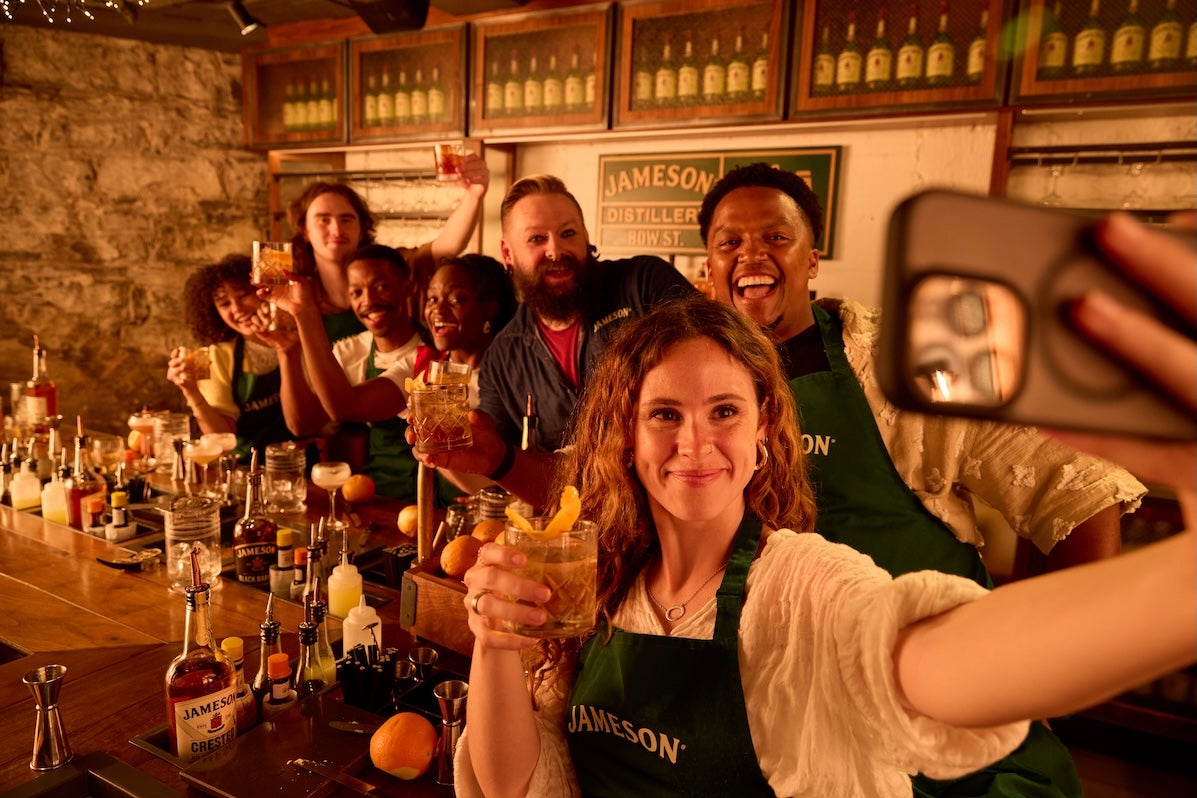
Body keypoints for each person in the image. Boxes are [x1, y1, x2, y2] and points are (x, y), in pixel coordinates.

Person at [453, 292, 1194, 798]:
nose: (694, 442)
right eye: (664, 414)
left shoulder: (804, 585)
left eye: (723, 410)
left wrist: (1175, 590)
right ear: (625, 436)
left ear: (763, 434)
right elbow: (526, 783)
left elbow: (926, 658)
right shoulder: (599, 583)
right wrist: (492, 642)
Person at [696, 163, 1148, 796]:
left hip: (942, 695)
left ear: (812, 258)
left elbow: (1081, 486)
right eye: (730, 242)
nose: (752, 254)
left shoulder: (902, 357)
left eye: (776, 237)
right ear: (709, 266)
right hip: (792, 704)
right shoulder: (691, 380)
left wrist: (1052, 660)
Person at [412, 174, 697, 505]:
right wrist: (447, 455)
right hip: (579, 535)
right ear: (507, 253)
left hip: (677, 509)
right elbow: (498, 471)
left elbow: (710, 375)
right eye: (536, 238)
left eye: (568, 233)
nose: (555, 250)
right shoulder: (503, 358)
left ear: (586, 236)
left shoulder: (645, 286)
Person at [267, 244, 421, 501]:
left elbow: (344, 408)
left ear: (408, 287)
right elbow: (303, 423)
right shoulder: (353, 349)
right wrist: (288, 352)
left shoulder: (429, 355)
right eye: (357, 292)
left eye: (381, 286)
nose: (368, 301)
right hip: (376, 494)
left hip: (428, 495)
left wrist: (304, 314)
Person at [288, 153, 490, 343]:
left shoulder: (392, 267)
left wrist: (473, 196)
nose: (336, 229)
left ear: (362, 228)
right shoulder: (300, 294)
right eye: (323, 220)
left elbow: (449, 246)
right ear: (305, 230)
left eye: (346, 219)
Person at [167, 254, 324, 460]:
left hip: (307, 462)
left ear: (264, 292)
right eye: (224, 304)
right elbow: (222, 439)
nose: (237, 309)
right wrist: (191, 393)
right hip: (247, 471)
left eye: (243, 295)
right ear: (214, 313)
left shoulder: (304, 336)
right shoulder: (213, 355)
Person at [415, 253, 518, 400]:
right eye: (433, 299)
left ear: (489, 309)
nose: (438, 309)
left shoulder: (513, 374)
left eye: (456, 299)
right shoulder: (422, 362)